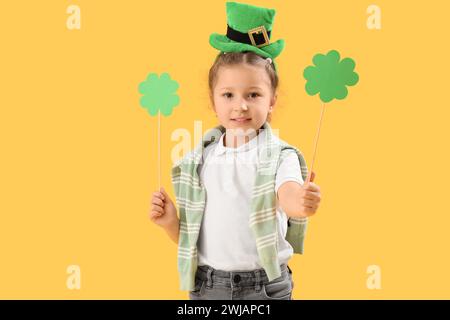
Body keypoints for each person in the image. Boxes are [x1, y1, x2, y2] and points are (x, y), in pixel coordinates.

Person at [150, 1, 322, 300]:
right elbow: (195, 241)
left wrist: (302, 203)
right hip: (207, 286)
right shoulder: (199, 160)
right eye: (228, 94)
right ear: (213, 100)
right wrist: (170, 224)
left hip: (265, 288)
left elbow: (289, 194)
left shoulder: (281, 156)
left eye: (253, 94)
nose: (240, 105)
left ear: (271, 101)